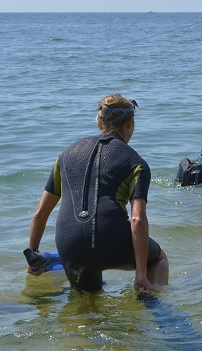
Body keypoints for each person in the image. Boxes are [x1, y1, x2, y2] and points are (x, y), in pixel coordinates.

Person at [26, 94, 168, 293]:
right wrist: (141, 274)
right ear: (130, 123)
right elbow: (138, 220)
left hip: (69, 244)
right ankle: (150, 306)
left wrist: (32, 256)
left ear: (98, 121)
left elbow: (39, 214)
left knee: (85, 304)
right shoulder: (136, 162)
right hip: (112, 240)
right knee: (159, 260)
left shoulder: (66, 155)